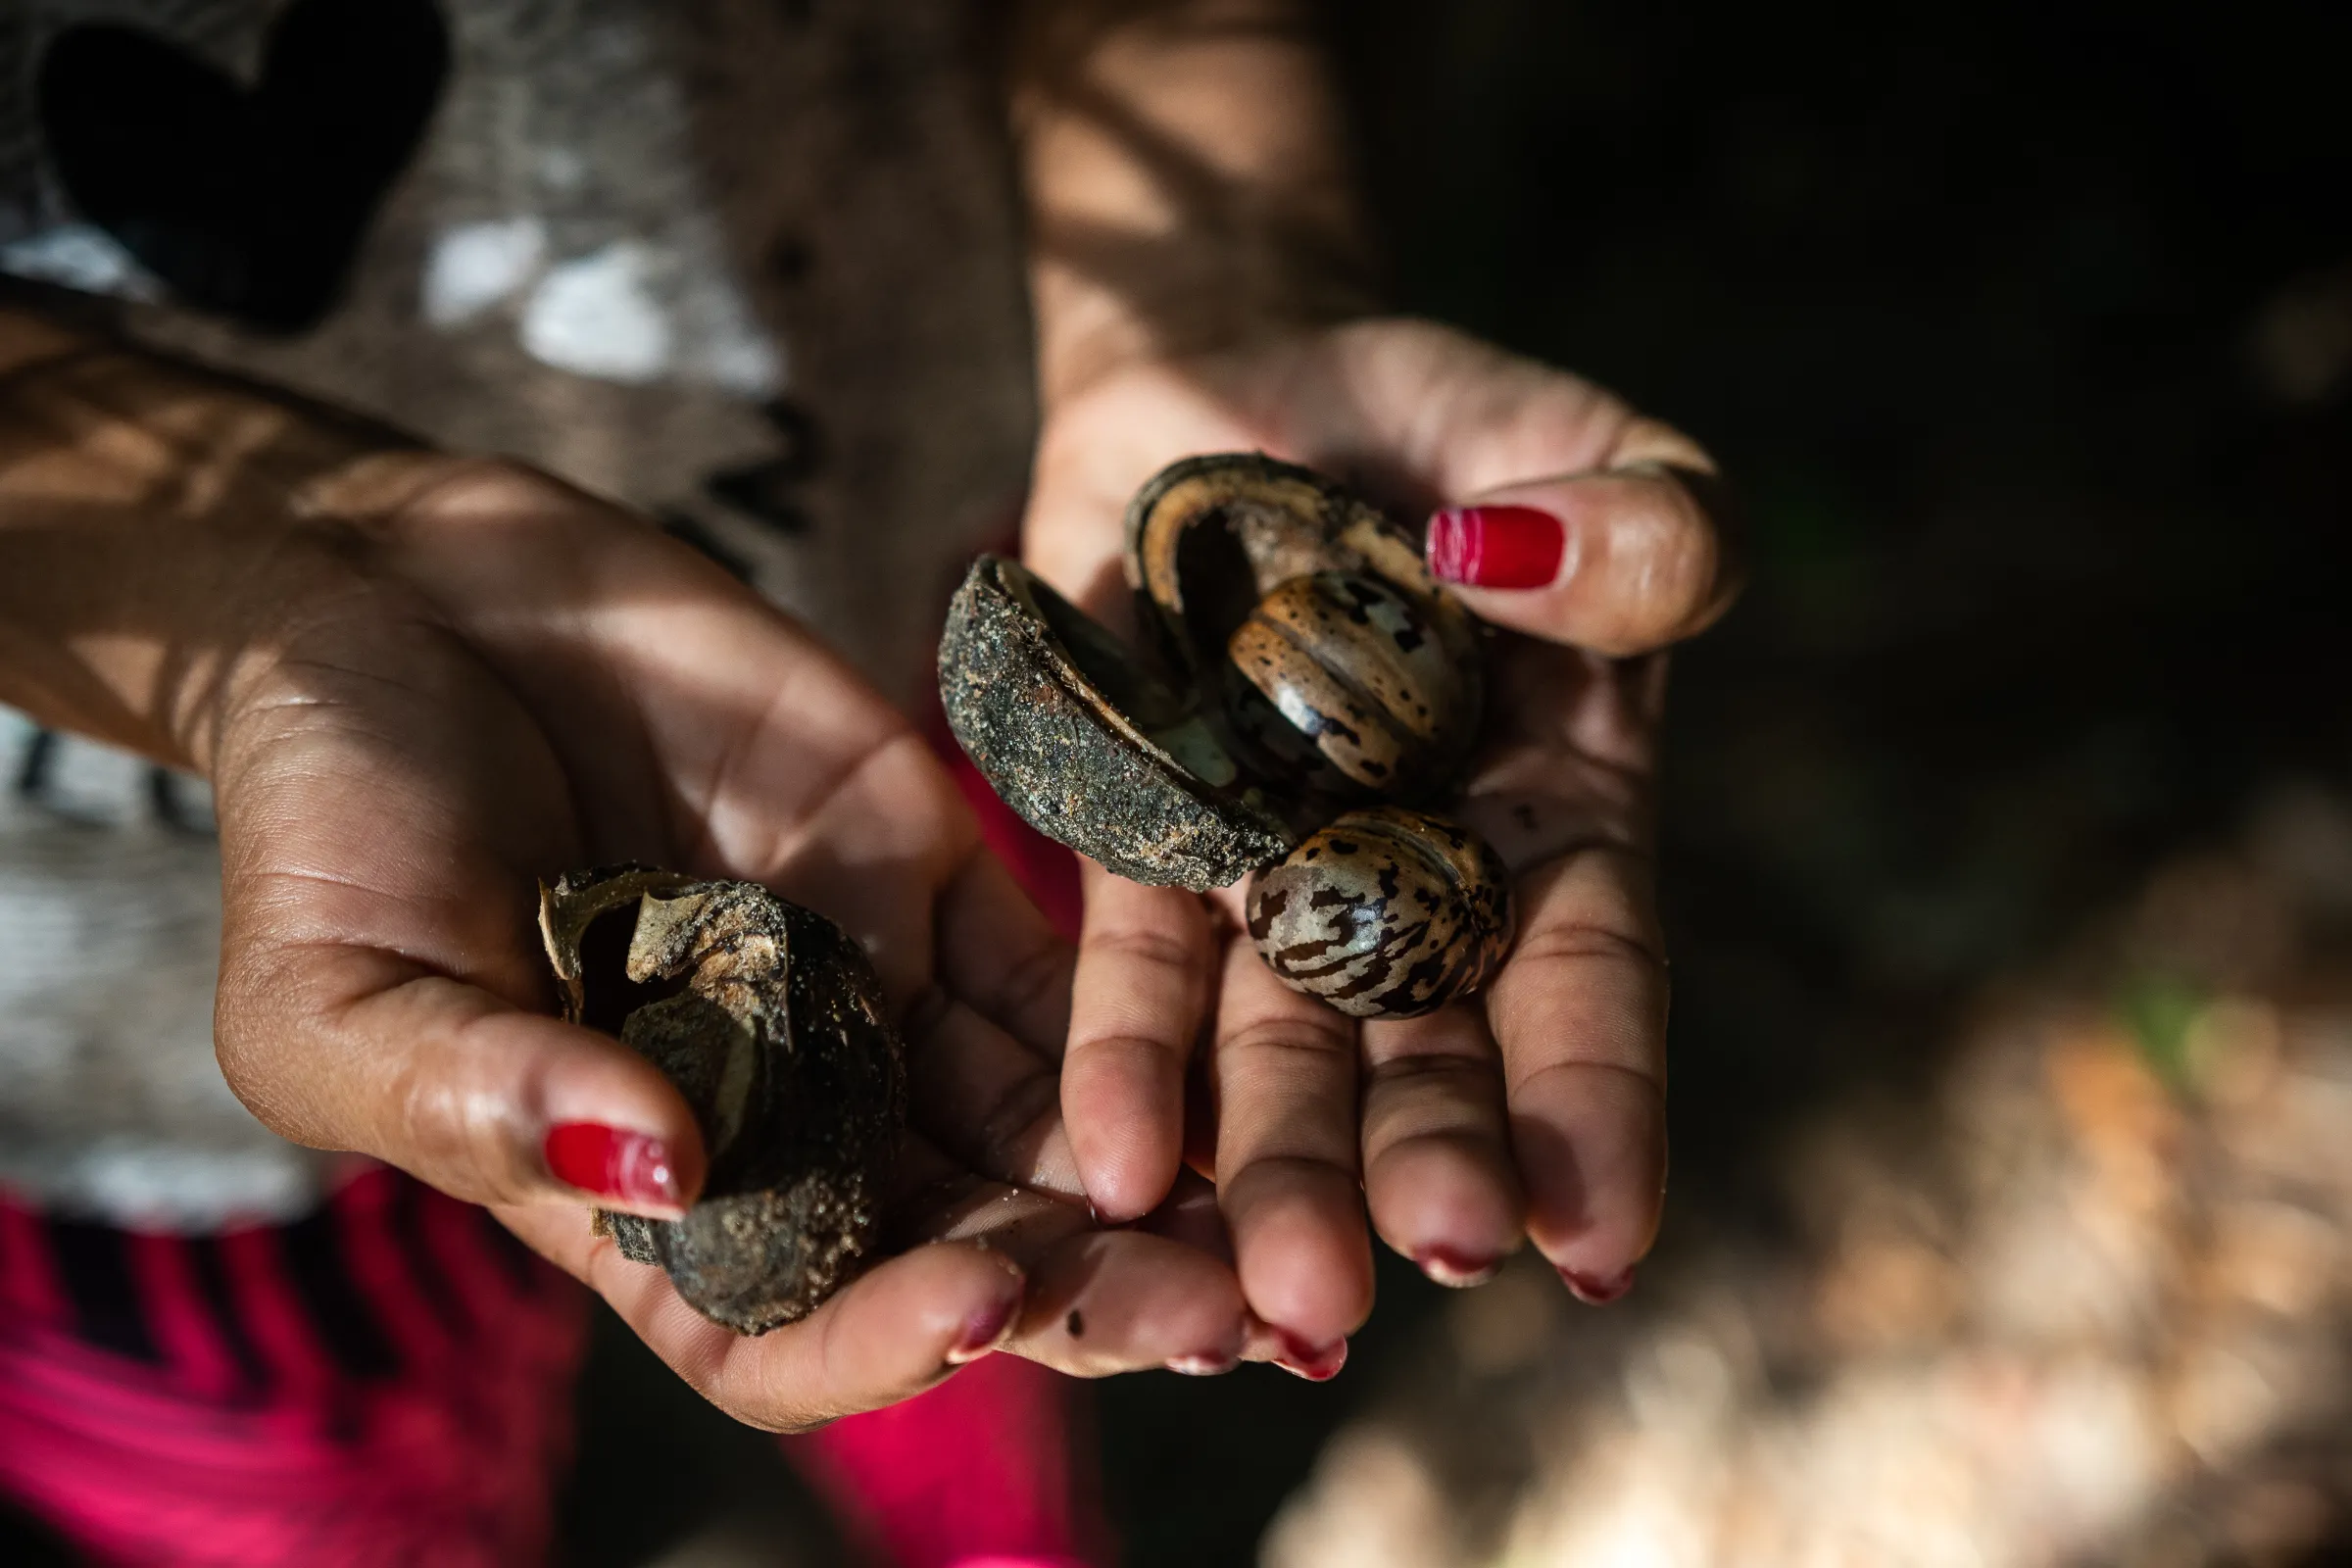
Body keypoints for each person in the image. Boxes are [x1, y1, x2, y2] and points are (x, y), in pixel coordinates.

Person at [0, 0, 1735, 1561]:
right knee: (313, 1484)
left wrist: (1225, 281)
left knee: (994, 1239)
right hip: (84, 1021)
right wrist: (271, 574)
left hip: (902, 632)